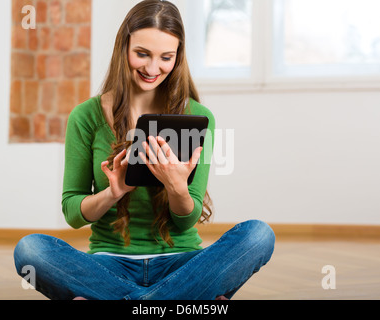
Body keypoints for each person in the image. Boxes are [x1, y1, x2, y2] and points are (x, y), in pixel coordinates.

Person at [14, 0, 275, 300]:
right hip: (108, 265)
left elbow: (186, 221)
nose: (153, 68)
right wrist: (113, 192)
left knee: (258, 235)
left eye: (166, 57)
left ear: (178, 57)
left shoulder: (198, 116)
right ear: (123, 48)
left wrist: (176, 187)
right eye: (142, 54)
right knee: (30, 249)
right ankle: (182, 303)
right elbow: (73, 213)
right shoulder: (86, 117)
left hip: (182, 263)